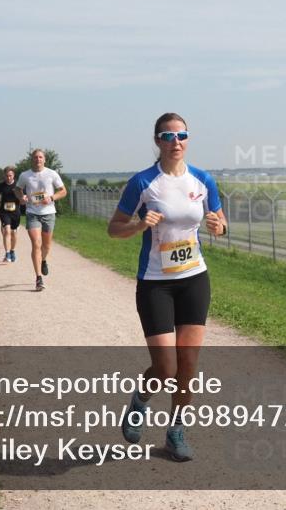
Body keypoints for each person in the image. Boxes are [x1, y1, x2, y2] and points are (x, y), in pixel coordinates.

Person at [107, 113, 227, 462]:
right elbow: (114, 229)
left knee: (188, 364)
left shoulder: (203, 180)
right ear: (157, 141)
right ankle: (141, 400)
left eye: (182, 135)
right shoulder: (143, 182)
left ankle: (176, 432)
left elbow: (221, 226)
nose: (176, 141)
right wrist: (139, 224)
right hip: (156, 284)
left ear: (188, 139)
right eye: (167, 136)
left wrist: (218, 226)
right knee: (165, 368)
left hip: (194, 278)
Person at [16, 149, 67, 291]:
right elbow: (18, 189)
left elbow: (63, 191)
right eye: (35, 157)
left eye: (40, 157)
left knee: (46, 246)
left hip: (49, 213)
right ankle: (38, 278)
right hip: (32, 213)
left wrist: (51, 198)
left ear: (44, 160)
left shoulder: (52, 174)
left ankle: (43, 260)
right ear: (31, 160)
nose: (38, 159)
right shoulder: (25, 175)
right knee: (36, 243)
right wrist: (22, 197)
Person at [0, 167, 23, 262]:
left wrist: (24, 199)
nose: (8, 177)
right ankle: (7, 254)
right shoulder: (1, 186)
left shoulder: (18, 186)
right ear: (4, 176)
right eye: (7, 176)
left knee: (14, 233)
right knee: (7, 231)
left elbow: (23, 197)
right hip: (4, 212)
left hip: (16, 212)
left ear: (13, 175)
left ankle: (12, 251)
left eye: (10, 175)